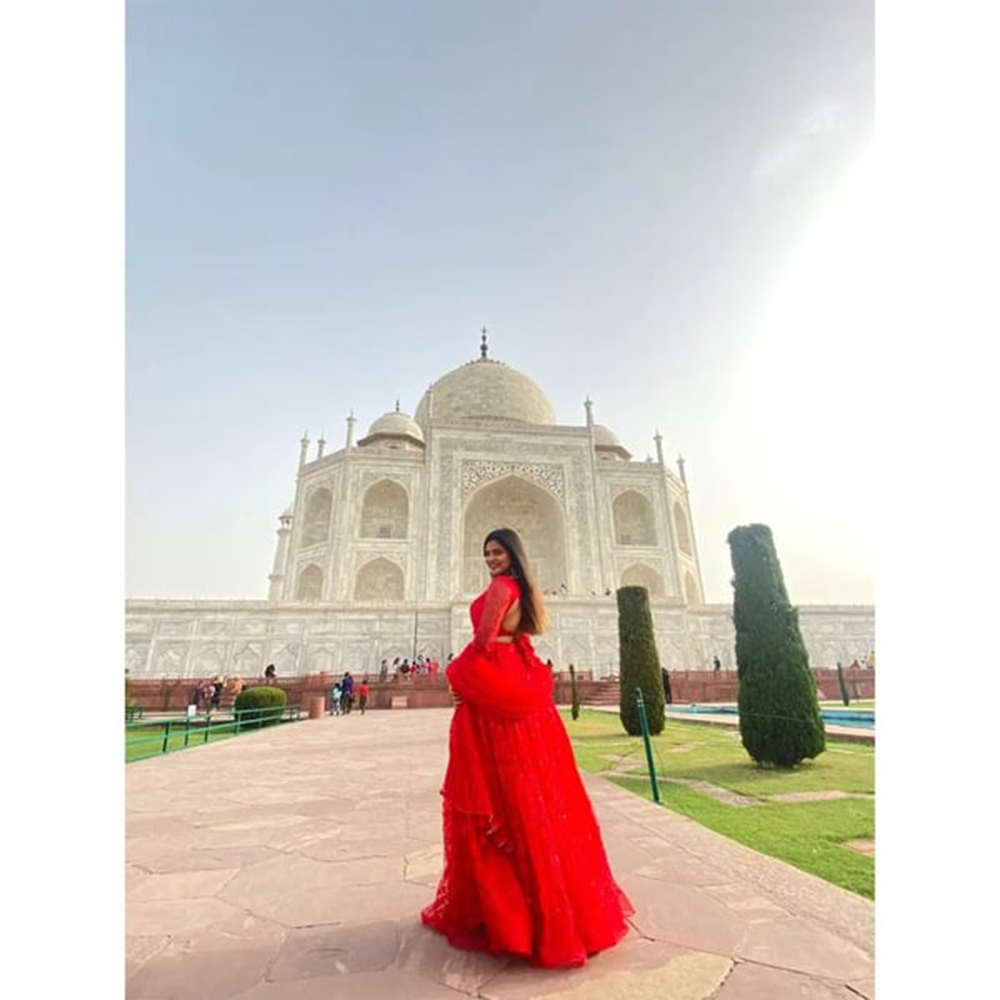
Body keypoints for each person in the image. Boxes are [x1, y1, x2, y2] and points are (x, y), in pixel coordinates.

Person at [421, 527, 632, 967]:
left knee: (499, 793)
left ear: (512, 553)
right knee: (534, 794)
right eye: (486, 552)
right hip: (518, 680)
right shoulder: (524, 589)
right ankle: (555, 915)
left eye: (497, 551)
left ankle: (514, 921)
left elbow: (484, 641)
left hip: (497, 686)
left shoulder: (502, 588)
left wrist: (455, 676)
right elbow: (516, 637)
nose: (491, 558)